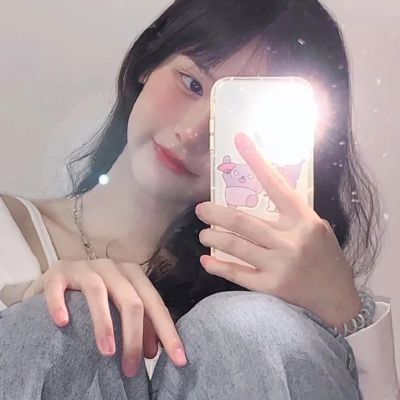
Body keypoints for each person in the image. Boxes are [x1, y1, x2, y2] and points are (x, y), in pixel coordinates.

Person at [0, 0, 398, 399]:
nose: (192, 133)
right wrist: (24, 307)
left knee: (246, 329)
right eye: (191, 84)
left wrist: (346, 314)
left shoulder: (278, 297)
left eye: (234, 118)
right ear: (148, 64)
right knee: (71, 316)